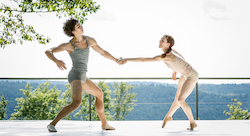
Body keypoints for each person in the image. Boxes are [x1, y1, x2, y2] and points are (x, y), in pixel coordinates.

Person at [45, 18, 125, 132]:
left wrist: (116, 59)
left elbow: (103, 52)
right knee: (76, 103)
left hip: (83, 76)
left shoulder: (89, 40)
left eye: (80, 25)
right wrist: (56, 61)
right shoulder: (69, 45)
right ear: (73, 31)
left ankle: (104, 124)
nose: (81, 27)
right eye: (78, 27)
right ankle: (52, 124)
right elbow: (48, 51)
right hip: (75, 75)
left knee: (99, 94)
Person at [121, 35, 199, 130]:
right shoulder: (172, 51)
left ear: (168, 44)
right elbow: (181, 58)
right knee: (177, 97)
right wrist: (175, 72)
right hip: (184, 74)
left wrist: (126, 59)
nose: (159, 41)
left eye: (162, 41)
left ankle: (192, 122)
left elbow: (144, 59)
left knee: (180, 100)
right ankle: (168, 117)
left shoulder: (167, 56)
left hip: (191, 76)